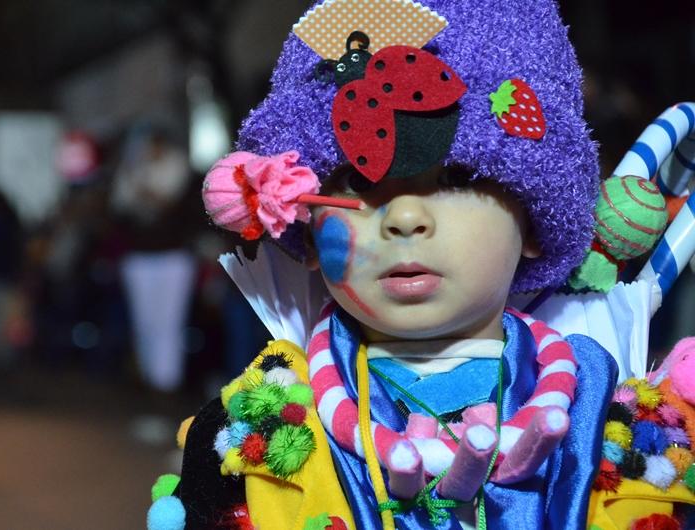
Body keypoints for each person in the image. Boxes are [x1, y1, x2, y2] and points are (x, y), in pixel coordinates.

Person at [151, 1, 694, 528]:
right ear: (309, 232)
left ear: (534, 219)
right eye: (361, 183)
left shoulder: (614, 417)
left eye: (457, 177)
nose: (406, 216)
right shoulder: (252, 431)